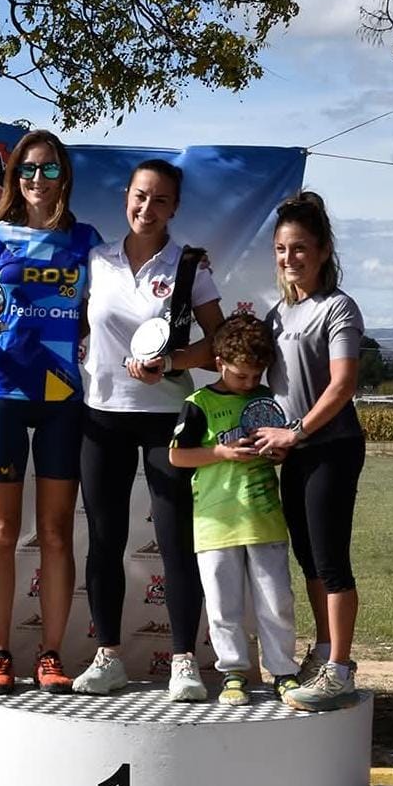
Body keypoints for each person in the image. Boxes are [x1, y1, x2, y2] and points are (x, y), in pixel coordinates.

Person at [0, 130, 102, 695]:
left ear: (65, 177)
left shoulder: (86, 241)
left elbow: (118, 297)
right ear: (15, 178)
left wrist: (186, 263)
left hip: (63, 396)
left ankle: (51, 653)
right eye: (28, 170)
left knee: (57, 534)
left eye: (50, 169)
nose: (39, 179)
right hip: (4, 391)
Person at [71, 159, 224, 700]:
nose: (147, 208)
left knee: (175, 539)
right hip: (101, 415)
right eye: (140, 196)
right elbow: (66, 323)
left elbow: (220, 342)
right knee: (104, 540)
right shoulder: (96, 260)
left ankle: (184, 661)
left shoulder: (190, 265)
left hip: (167, 417)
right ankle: (108, 656)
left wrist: (175, 362)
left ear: (175, 208)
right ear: (126, 198)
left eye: (160, 200)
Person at [252, 191, 365, 712]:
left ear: (322, 251)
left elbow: (342, 386)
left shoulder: (338, 308)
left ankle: (340, 669)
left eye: (299, 248)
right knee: (309, 559)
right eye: (281, 249)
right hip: (294, 453)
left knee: (331, 560)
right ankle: (323, 653)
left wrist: (294, 432)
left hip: (331, 449)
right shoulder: (277, 314)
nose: (289, 258)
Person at [168, 314, 299, 706]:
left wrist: (277, 454)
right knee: (223, 606)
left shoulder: (266, 400)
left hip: (264, 519)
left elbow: (280, 450)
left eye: (256, 375)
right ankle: (233, 672)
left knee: (277, 602)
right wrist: (221, 452)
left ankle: (284, 671)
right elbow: (177, 456)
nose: (249, 383)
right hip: (216, 522)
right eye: (241, 375)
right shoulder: (199, 403)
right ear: (219, 362)